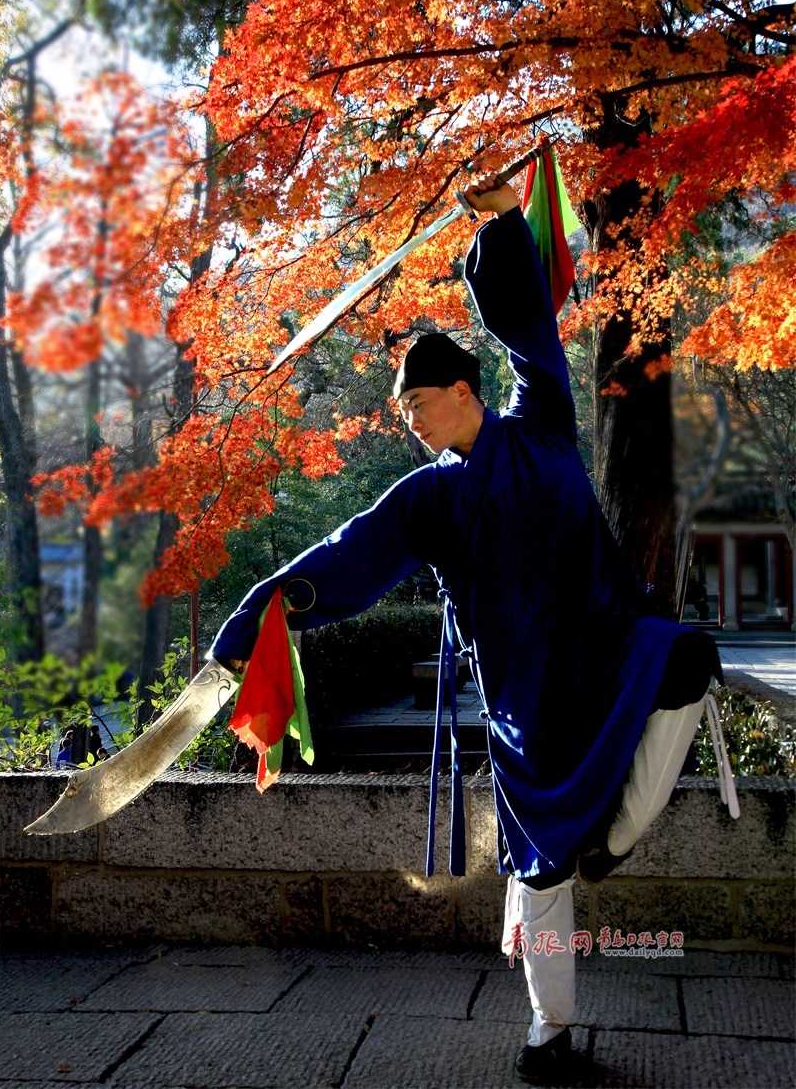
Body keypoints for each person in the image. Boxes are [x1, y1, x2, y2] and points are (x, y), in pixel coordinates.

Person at [211, 174, 723, 1083]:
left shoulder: (545, 423)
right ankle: (550, 1030)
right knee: (541, 865)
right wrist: (262, 611)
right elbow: (348, 552)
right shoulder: (429, 499)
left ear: (460, 390)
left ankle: (616, 835)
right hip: (525, 701)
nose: (407, 424)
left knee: (683, 657)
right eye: (401, 413)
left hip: (604, 645)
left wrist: (494, 222)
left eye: (414, 406)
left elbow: (532, 337)